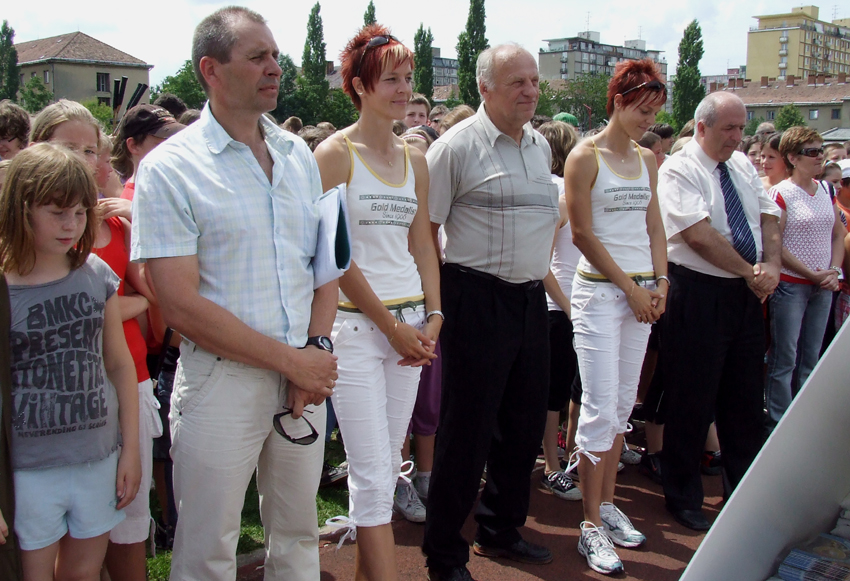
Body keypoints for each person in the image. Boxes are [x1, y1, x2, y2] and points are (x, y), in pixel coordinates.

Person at [130, 7, 339, 580]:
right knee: (206, 551)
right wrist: (294, 361)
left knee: (298, 538)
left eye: (274, 54)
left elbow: (325, 268)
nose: (275, 67)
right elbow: (178, 304)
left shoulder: (299, 157)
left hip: (302, 374)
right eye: (257, 57)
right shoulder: (170, 169)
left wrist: (315, 348)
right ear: (211, 70)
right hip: (222, 383)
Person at [423, 43, 559, 581]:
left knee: (523, 426)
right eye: (517, 82)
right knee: (467, 432)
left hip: (529, 299)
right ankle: (444, 552)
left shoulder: (540, 147)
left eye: (533, 81)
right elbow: (425, 234)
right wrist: (439, 306)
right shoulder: (455, 148)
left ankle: (501, 529)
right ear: (484, 88)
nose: (530, 91)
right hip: (473, 296)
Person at [314, 25, 441, 579]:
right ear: (360, 86)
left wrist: (434, 317)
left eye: (408, 79)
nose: (403, 90)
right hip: (361, 332)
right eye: (391, 79)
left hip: (412, 328)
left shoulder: (417, 159)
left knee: (387, 470)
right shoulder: (334, 154)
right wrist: (391, 327)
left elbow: (423, 244)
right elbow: (335, 261)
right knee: (369, 475)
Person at [0, 142, 141, 581]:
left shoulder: (95, 274)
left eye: (81, 212)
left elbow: (119, 365)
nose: (72, 225)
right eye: (57, 212)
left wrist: (130, 449)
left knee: (83, 571)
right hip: (28, 468)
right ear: (20, 210)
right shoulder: (5, 289)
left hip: (98, 457)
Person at [657, 92, 781, 532]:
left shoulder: (743, 165)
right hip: (699, 291)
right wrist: (752, 271)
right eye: (729, 128)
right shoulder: (679, 168)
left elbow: (768, 216)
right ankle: (683, 494)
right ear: (703, 127)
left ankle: (740, 491)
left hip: (745, 293)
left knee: (745, 401)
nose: (738, 137)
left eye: (742, 127)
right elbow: (697, 235)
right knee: (691, 397)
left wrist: (772, 265)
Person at [563, 59, 668, 575]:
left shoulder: (649, 160)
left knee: (624, 404)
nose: (649, 119)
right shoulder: (585, 157)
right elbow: (582, 235)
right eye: (642, 109)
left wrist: (660, 282)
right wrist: (630, 288)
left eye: (655, 111)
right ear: (619, 101)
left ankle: (605, 505)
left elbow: (654, 227)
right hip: (602, 297)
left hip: (639, 297)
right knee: (600, 406)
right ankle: (588, 525)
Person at [764, 128, 845, 429]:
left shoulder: (827, 190)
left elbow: (837, 234)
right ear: (793, 158)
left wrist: (834, 271)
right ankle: (778, 424)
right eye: (812, 152)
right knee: (785, 357)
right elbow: (775, 244)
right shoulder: (780, 193)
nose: (819, 156)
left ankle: (804, 423)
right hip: (791, 287)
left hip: (823, 287)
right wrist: (811, 273)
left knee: (811, 357)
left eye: (820, 150)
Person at [537, 120, 582, 502]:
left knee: (577, 389)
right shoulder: (561, 197)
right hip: (559, 309)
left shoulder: (577, 194)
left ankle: (570, 455)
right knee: (554, 392)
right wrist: (568, 309)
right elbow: (543, 263)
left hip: (580, 308)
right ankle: (551, 465)